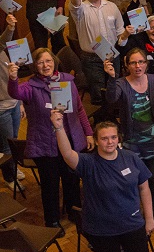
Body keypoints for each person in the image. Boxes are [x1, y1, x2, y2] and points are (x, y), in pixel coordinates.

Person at [53, 116, 154, 252]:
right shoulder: (88, 163)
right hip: (102, 229)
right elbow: (67, 154)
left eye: (113, 137)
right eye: (105, 138)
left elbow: (144, 188)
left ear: (119, 139)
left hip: (132, 225)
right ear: (97, 141)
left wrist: (149, 218)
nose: (110, 142)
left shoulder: (131, 158)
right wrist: (58, 127)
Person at [8, 49, 92, 229]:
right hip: (44, 144)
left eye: (48, 61)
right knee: (50, 185)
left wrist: (89, 133)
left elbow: (79, 109)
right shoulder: (30, 86)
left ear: (54, 62)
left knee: (72, 180)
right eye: (40, 62)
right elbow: (15, 93)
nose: (45, 65)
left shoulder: (67, 81)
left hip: (69, 140)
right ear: (35, 66)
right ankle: (52, 221)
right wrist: (13, 78)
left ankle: (74, 212)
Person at [105, 49, 154, 231]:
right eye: (133, 63)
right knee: (133, 181)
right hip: (131, 142)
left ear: (146, 63)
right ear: (127, 65)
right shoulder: (121, 83)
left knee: (153, 179)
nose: (138, 66)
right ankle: (135, 214)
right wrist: (111, 78)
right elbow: (112, 99)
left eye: (141, 62)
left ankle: (153, 213)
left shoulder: (153, 80)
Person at [69, 0, 131, 105]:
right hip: (91, 58)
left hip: (112, 54)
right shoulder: (81, 10)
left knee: (113, 89)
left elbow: (120, 34)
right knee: (98, 93)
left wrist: (125, 34)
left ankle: (112, 121)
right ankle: (100, 122)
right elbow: (75, 2)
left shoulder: (112, 7)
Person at [0, 14, 24, 189]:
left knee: (13, 140)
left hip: (13, 101)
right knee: (6, 146)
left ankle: (13, 167)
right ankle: (9, 177)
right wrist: (10, 28)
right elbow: (3, 41)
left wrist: (20, 101)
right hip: (1, 108)